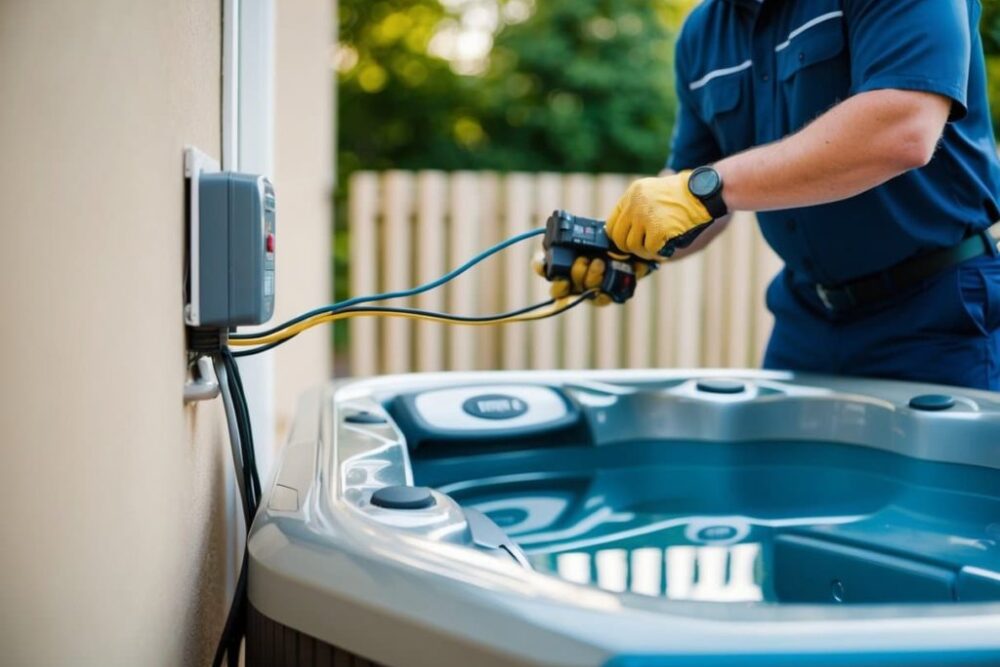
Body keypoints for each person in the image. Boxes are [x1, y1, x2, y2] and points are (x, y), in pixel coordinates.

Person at [539, 0, 1000, 390]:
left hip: (940, 313)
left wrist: (704, 189)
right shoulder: (702, 34)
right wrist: (630, 248)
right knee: (781, 496)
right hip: (806, 318)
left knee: (947, 496)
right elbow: (694, 189)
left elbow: (904, 128)